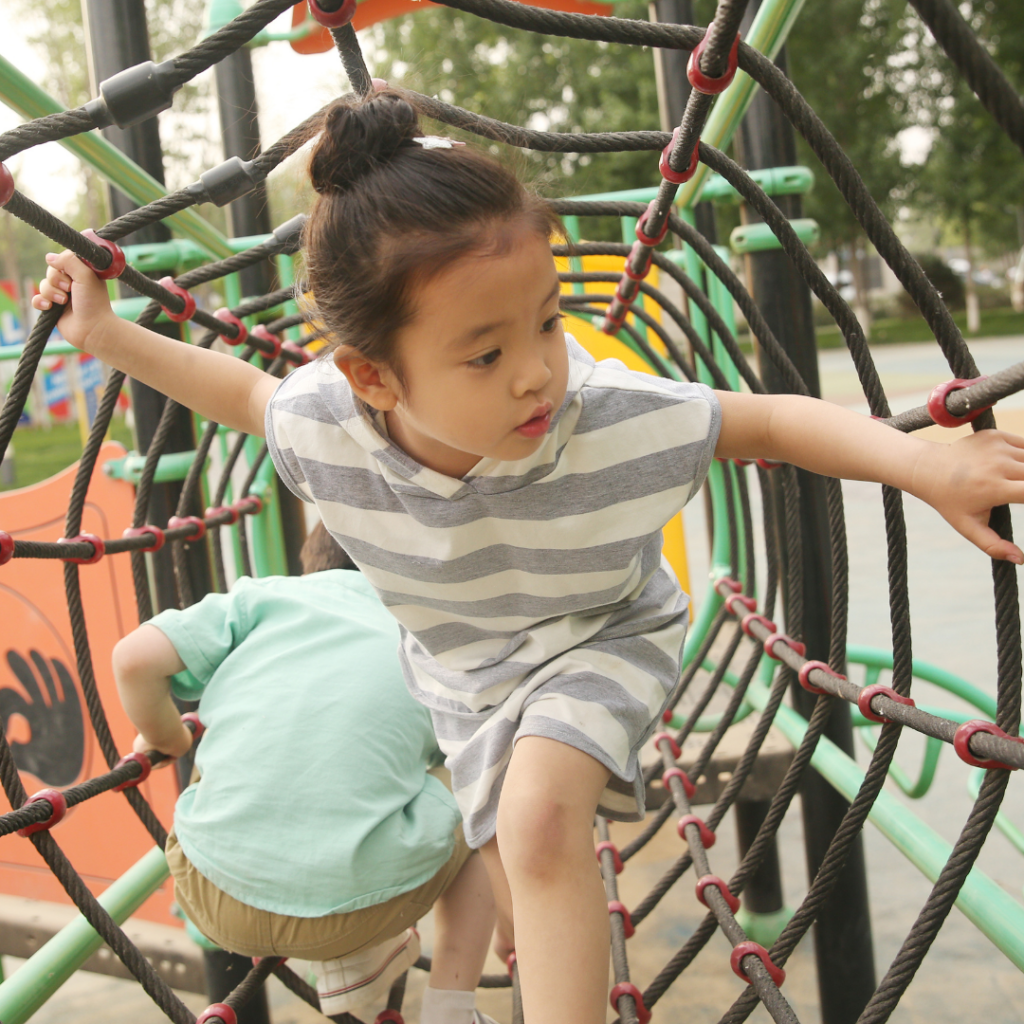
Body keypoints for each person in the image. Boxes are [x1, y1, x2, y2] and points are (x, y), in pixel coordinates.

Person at [37, 89, 1024, 1024]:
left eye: (547, 321)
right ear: (372, 376)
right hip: (463, 673)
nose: (536, 372)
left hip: (601, 632)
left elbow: (768, 419)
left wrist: (922, 463)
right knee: (514, 856)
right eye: (484, 353)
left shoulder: (608, 420)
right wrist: (105, 332)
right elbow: (242, 392)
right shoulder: (327, 427)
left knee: (542, 818)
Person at [111, 522, 497, 1024]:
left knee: (240, 763)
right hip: (363, 908)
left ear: (310, 563)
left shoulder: (265, 598)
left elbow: (132, 658)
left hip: (209, 891)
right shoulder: (434, 643)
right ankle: (446, 1005)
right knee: (488, 778)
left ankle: (352, 953)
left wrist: (170, 740)